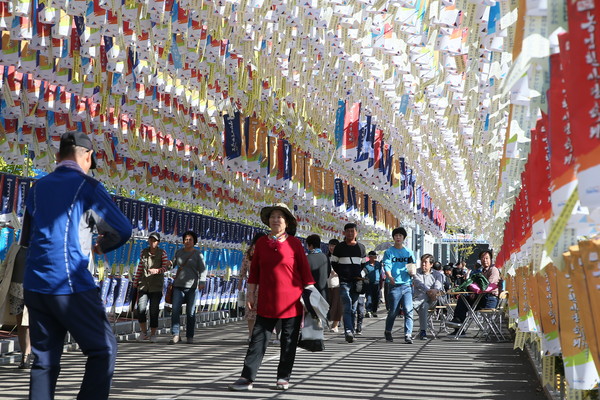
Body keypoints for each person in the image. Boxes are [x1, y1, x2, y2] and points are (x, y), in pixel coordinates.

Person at [21, 131, 132, 400]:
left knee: (44, 362)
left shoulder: (36, 189)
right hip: (69, 284)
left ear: (57, 156)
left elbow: (26, 240)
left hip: (35, 285)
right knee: (103, 349)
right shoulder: (89, 187)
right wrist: (101, 246)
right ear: (88, 157)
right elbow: (122, 229)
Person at [229, 203, 314, 391]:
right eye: (273, 216)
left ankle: (283, 377)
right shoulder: (261, 243)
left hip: (292, 301)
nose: (275, 219)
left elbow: (306, 273)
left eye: (280, 217)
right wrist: (250, 294)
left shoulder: (295, 244)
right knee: (258, 339)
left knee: (289, 341)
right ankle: (246, 377)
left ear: (286, 222)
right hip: (266, 300)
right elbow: (255, 273)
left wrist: (310, 300)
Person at [330, 223, 367, 344]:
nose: (350, 233)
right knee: (347, 306)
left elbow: (363, 264)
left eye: (353, 231)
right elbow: (334, 263)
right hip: (344, 281)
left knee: (353, 308)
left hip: (356, 282)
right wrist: (342, 273)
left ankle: (350, 330)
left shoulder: (361, 248)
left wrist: (355, 273)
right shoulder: (339, 247)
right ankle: (348, 331)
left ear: (356, 233)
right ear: (344, 233)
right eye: (348, 231)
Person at [447, 250, 500, 333]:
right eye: (482, 258)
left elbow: (488, 286)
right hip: (482, 298)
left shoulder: (493, 270)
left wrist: (475, 293)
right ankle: (457, 324)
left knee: (464, 302)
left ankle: (458, 325)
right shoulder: (482, 271)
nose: (484, 260)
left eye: (487, 258)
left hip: (489, 299)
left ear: (491, 259)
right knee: (463, 299)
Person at [169, 230, 207, 344]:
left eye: (190, 240)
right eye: (186, 239)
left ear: (194, 241)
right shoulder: (179, 252)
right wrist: (169, 264)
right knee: (175, 310)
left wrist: (202, 282)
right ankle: (176, 334)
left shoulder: (198, 254)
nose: (187, 241)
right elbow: (173, 265)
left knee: (190, 312)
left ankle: (190, 335)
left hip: (192, 287)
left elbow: (203, 269)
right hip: (178, 286)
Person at [133, 232, 170, 343]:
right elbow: (140, 267)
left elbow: (166, 267)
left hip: (156, 285)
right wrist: (136, 281)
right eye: (150, 240)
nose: (152, 242)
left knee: (154, 310)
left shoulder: (162, 253)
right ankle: (144, 332)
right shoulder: (143, 252)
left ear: (158, 242)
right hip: (144, 284)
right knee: (141, 308)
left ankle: (153, 333)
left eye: (154, 240)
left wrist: (158, 270)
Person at [0, 243, 32, 368]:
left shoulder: (40, 245)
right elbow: (5, 264)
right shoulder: (15, 247)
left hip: (33, 291)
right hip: (15, 290)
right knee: (21, 324)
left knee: (29, 323)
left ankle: (29, 354)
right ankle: (25, 355)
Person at [382, 227, 415, 344]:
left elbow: (412, 265)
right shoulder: (389, 252)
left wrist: (412, 272)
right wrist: (389, 277)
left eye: (400, 235)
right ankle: (388, 330)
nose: (398, 237)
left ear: (404, 238)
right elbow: (387, 266)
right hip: (394, 285)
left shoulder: (409, 252)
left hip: (407, 285)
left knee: (408, 309)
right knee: (393, 311)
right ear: (393, 237)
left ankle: (408, 334)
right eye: (396, 235)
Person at [238, 232, 267, 341]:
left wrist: (240, 281)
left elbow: (243, 269)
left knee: (251, 311)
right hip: (264, 284)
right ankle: (260, 334)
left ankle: (251, 335)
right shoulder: (265, 251)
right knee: (262, 310)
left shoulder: (249, 252)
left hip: (251, 285)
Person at [412, 254, 444, 340]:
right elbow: (418, 284)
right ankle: (422, 331)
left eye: (425, 263)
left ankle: (412, 305)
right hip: (421, 299)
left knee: (424, 303)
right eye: (422, 262)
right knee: (423, 306)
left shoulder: (437, 275)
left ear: (431, 264)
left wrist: (434, 291)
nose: (423, 264)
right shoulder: (416, 272)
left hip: (432, 300)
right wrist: (429, 291)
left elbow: (438, 286)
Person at [326, 239, 343, 333]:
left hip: (337, 284)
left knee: (337, 305)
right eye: (330, 245)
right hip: (326, 283)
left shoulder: (341, 258)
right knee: (327, 304)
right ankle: (327, 323)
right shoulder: (326, 257)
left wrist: (337, 272)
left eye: (334, 246)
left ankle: (335, 325)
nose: (331, 247)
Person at [306, 234, 329, 301]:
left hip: (311, 293)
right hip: (324, 292)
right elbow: (328, 273)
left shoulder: (307, 258)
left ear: (311, 245)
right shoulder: (326, 257)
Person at [364, 251, 383, 318]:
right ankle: (368, 310)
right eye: (372, 256)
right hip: (368, 283)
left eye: (375, 256)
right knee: (369, 297)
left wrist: (381, 282)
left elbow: (380, 273)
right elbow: (364, 273)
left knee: (376, 298)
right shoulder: (366, 264)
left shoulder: (378, 264)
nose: (374, 258)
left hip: (377, 283)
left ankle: (374, 311)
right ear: (370, 257)